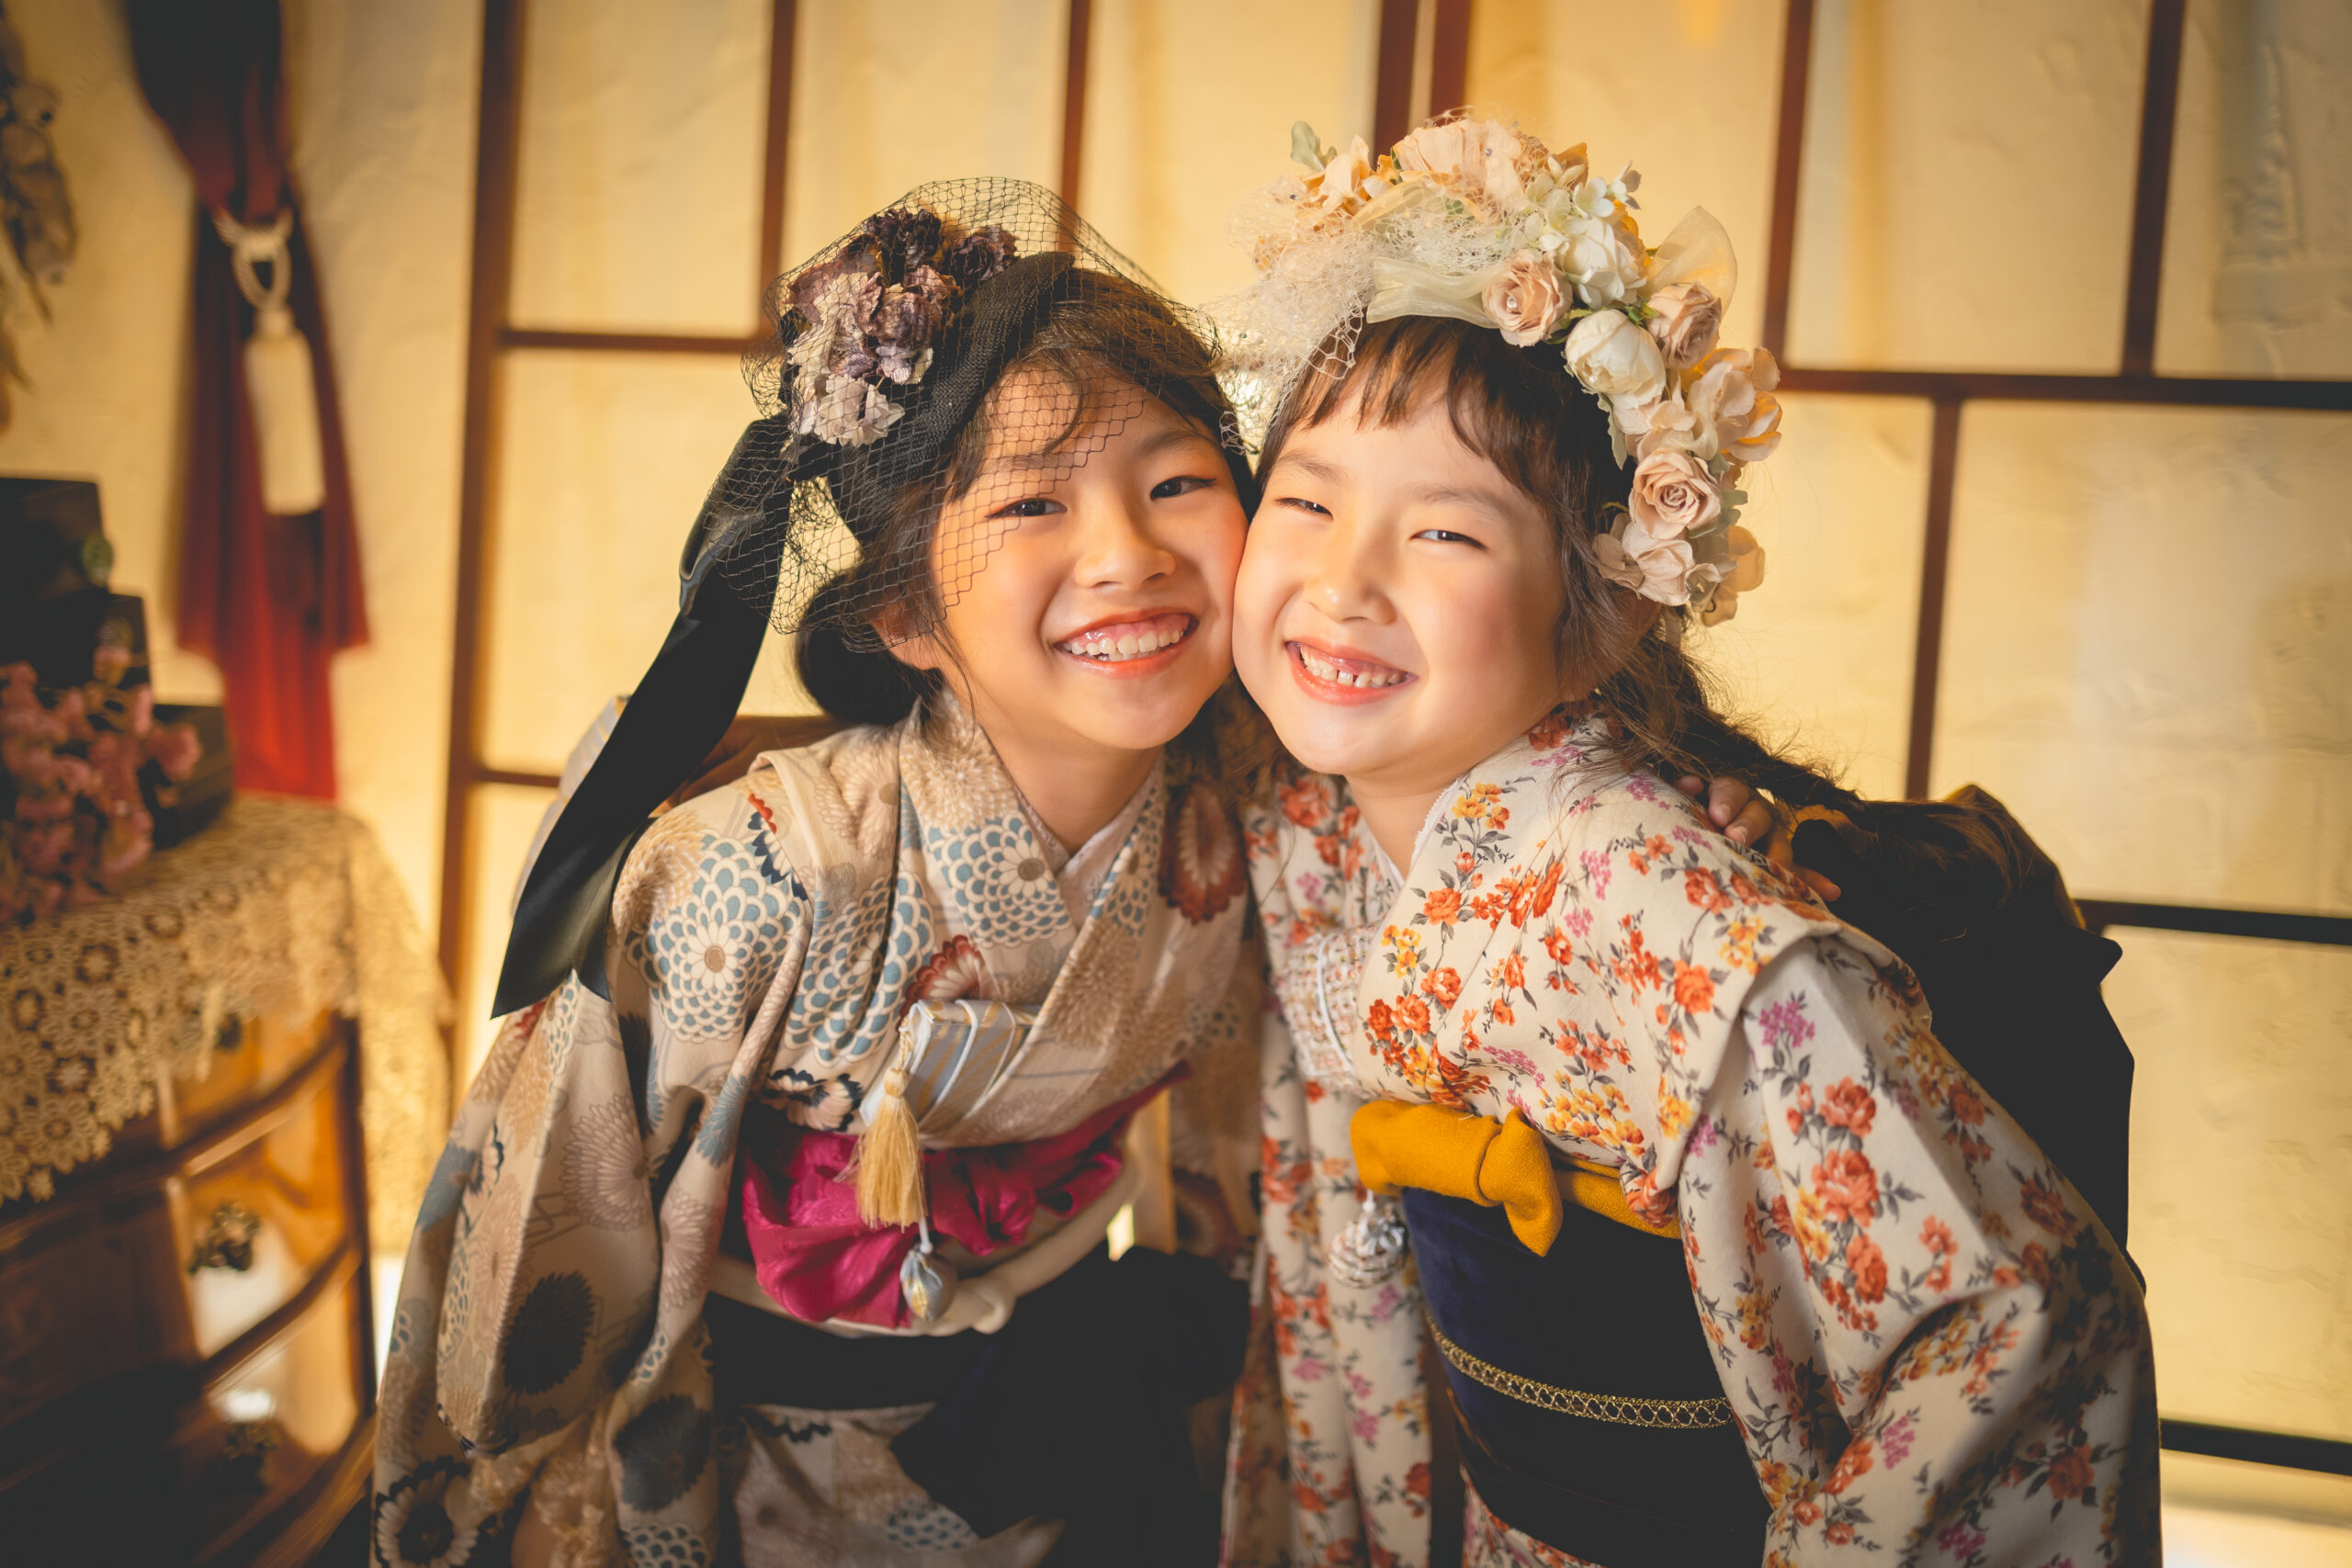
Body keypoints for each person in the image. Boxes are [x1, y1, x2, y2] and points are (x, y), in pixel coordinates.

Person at [1214, 118, 2159, 1567]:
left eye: (1448, 535)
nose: (1342, 583)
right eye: (1306, 500)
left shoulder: (1654, 893)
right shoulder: (1299, 815)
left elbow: (2025, 1312)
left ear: (1601, 610)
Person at [373, 183, 1279, 1568]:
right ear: (904, 611)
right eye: (1031, 500)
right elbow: (554, 1242)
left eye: (1174, 482)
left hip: (1069, 1431)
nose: (1129, 555)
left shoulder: (1236, 826)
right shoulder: (760, 868)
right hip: (754, 1460)